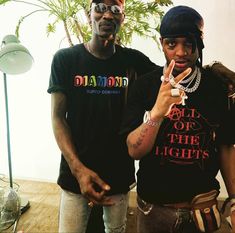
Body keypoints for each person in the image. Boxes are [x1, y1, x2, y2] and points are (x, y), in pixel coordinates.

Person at [121, 5, 235, 233]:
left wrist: (233, 199)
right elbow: (134, 150)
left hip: (200, 209)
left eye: (189, 43)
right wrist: (157, 112)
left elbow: (226, 147)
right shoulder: (145, 86)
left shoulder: (217, 88)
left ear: (199, 44)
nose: (181, 52)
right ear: (162, 42)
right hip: (153, 207)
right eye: (172, 44)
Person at [47, 0, 157, 232]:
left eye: (115, 9)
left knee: (115, 229)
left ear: (122, 19)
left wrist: (213, 68)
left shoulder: (134, 61)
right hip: (75, 175)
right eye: (100, 8)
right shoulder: (66, 60)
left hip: (117, 174)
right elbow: (58, 118)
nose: (107, 15)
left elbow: (174, 74)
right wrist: (78, 170)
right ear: (89, 16)